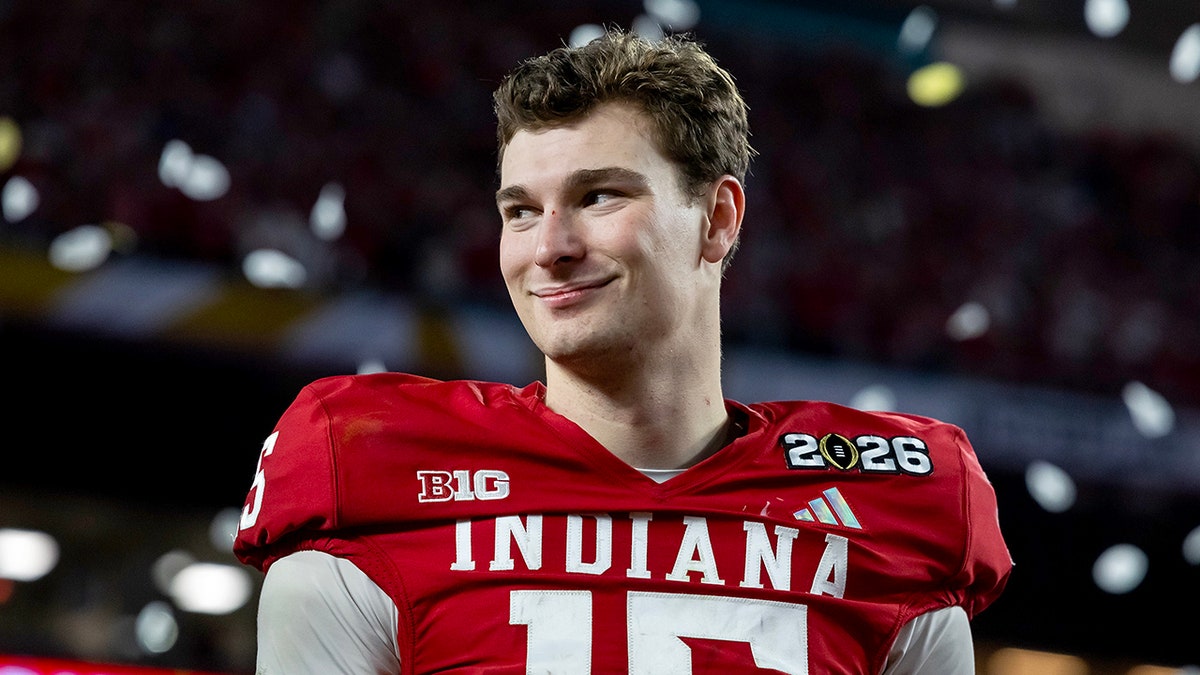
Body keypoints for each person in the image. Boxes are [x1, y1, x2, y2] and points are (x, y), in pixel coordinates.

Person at [233, 27, 1012, 674]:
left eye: (598, 195)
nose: (550, 247)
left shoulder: (890, 514)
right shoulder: (372, 477)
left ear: (718, 219)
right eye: (521, 210)